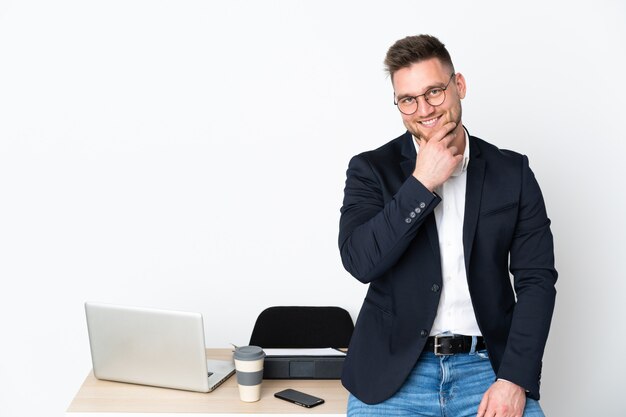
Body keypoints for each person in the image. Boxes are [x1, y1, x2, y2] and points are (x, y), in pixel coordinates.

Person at [338, 34, 557, 417]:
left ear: (459, 85)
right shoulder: (371, 169)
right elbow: (361, 262)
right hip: (394, 375)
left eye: (435, 92)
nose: (424, 109)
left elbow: (537, 280)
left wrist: (513, 380)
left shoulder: (513, 172)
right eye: (408, 99)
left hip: (487, 371)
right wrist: (421, 184)